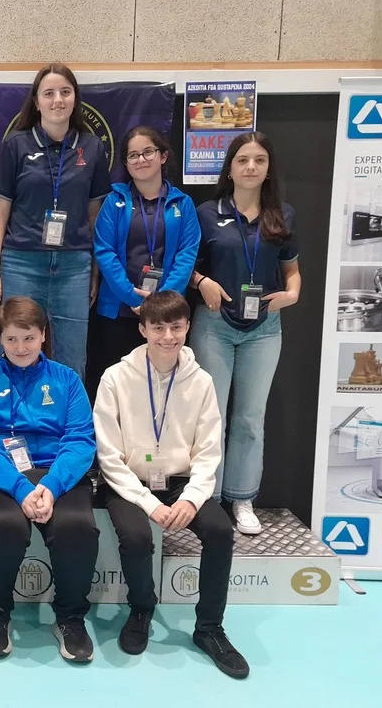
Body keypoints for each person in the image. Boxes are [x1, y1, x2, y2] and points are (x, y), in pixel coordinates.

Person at [93, 291, 248, 679]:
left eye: (176, 327)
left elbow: (209, 450)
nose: (168, 337)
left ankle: (209, 628)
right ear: (142, 329)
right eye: (158, 327)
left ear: (187, 328)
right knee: (137, 537)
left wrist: (192, 499)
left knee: (220, 531)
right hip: (127, 483)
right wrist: (149, 504)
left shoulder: (202, 381)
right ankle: (141, 609)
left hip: (180, 482)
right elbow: (108, 455)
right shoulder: (115, 378)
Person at [0, 296, 98, 663]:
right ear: (0, 339)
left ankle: (70, 617)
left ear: (43, 335)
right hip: (3, 475)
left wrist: (51, 486)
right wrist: (21, 488)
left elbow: (80, 440)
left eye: (28, 338)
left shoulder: (67, 380)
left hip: (57, 472)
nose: (20, 347)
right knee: (0, 524)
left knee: (77, 526)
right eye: (11, 339)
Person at [187, 132, 301, 535]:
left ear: (268, 169)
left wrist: (293, 294)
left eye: (259, 160)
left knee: (251, 418)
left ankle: (242, 498)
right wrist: (202, 281)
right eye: (243, 160)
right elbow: (186, 265)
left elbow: (292, 270)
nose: (251, 167)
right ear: (230, 168)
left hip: (264, 328)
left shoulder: (282, 214)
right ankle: (208, 497)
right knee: (210, 416)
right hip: (214, 324)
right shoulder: (206, 213)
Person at [0, 63, 111, 381]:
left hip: (74, 265)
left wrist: (95, 269)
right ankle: (8, 413)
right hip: (22, 263)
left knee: (72, 358)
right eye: (49, 93)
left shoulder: (92, 147)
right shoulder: (16, 144)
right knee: (14, 353)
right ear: (37, 101)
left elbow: (95, 215)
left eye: (65, 92)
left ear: (75, 98)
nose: (58, 100)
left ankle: (68, 416)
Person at [89, 126, 200, 397]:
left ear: (163, 156)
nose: (141, 160)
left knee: (163, 389)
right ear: (126, 164)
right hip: (119, 310)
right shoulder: (114, 202)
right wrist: (132, 297)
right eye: (133, 155)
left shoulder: (183, 204)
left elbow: (187, 253)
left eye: (148, 152)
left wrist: (160, 301)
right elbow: (104, 251)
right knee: (121, 388)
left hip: (167, 315)